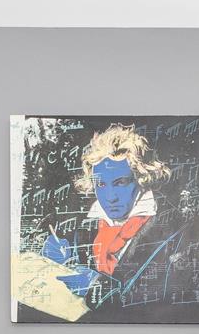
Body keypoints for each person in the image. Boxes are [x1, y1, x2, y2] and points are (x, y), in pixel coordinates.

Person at [41, 124, 186, 305]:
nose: (110, 198)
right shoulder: (84, 230)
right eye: (101, 185)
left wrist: (97, 284)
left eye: (121, 183)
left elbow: (160, 306)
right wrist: (59, 260)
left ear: (142, 179)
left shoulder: (172, 232)